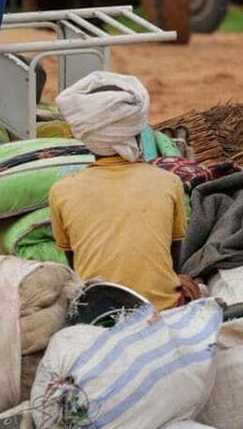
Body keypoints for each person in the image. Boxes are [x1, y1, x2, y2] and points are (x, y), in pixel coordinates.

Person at [47, 71, 191, 309]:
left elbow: (75, 264)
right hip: (162, 309)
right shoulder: (169, 182)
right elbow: (174, 256)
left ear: (86, 136)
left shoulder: (62, 191)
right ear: (137, 132)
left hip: (97, 312)